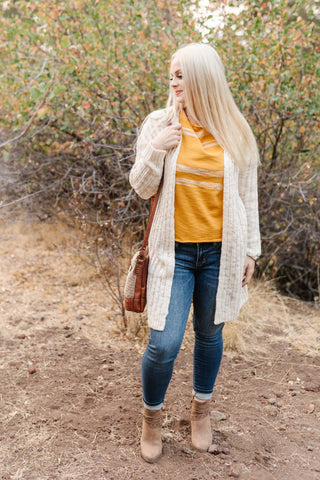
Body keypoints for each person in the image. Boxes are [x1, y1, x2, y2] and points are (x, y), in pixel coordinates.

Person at [129, 43, 261, 463]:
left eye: (182, 74)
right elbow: (141, 186)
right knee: (164, 344)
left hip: (222, 253)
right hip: (176, 254)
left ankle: (200, 412)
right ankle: (152, 420)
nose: (173, 81)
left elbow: (247, 197)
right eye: (172, 74)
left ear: (204, 77)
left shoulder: (234, 130)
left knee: (210, 334)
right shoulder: (160, 123)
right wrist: (158, 147)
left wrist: (251, 252)